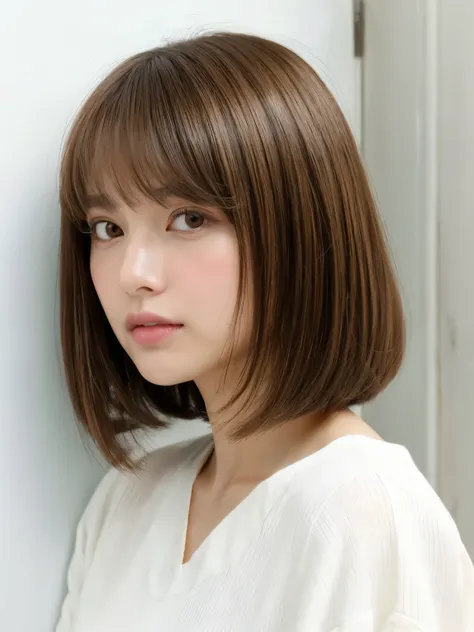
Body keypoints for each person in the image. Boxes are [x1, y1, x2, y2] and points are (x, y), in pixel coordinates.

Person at [55, 32, 474, 631]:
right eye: (106, 228)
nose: (133, 274)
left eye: (188, 218)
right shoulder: (130, 498)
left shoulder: (365, 510)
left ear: (299, 228)